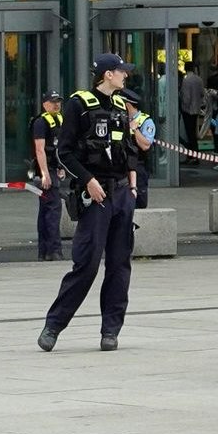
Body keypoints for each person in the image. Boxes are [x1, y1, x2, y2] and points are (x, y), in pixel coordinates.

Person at [42, 59, 147, 350]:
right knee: (86, 264)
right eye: (122, 71)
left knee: (119, 264)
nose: (126, 75)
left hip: (122, 195)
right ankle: (54, 325)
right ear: (108, 74)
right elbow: (64, 152)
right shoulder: (79, 105)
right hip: (96, 195)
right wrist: (88, 181)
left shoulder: (120, 105)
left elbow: (129, 150)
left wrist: (133, 187)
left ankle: (110, 330)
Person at [27, 88, 70, 260]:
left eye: (58, 101)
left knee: (47, 210)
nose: (57, 105)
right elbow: (40, 149)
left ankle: (45, 252)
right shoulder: (40, 122)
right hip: (45, 171)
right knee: (53, 210)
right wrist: (45, 174)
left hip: (53, 168)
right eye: (53, 102)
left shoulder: (59, 120)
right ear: (45, 104)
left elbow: (58, 148)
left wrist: (61, 167)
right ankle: (54, 251)